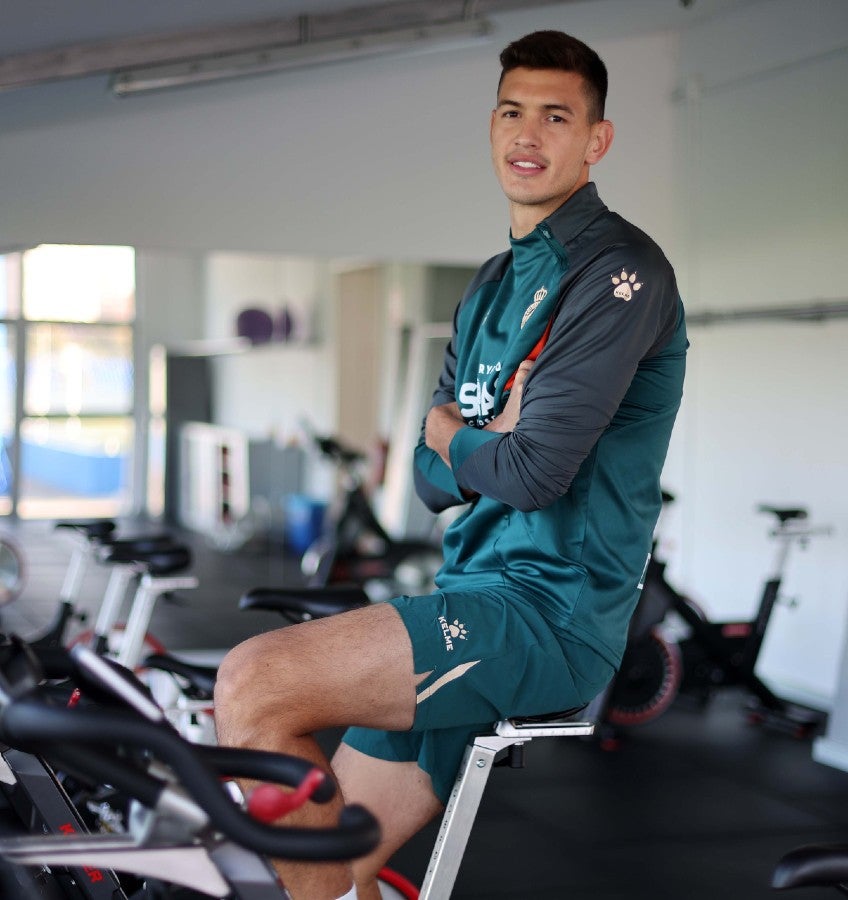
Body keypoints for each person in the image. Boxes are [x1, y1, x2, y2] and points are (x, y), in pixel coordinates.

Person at [214, 29, 688, 900]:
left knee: (253, 679)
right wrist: (471, 445)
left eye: (556, 115)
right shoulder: (489, 288)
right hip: (470, 593)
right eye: (513, 112)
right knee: (326, 871)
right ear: (492, 126)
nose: (529, 135)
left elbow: (534, 473)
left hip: (551, 615)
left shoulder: (622, 274)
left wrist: (454, 436)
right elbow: (433, 488)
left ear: (597, 140)